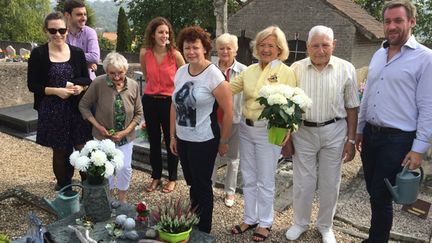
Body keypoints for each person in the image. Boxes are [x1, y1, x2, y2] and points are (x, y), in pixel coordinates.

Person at [355, 1, 432, 242]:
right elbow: (367, 95)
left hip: (397, 140)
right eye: (388, 21)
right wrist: (359, 129)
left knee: (381, 195)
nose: (392, 26)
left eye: (398, 20)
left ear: (412, 22)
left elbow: (428, 106)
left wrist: (419, 149)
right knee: (373, 192)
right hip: (371, 135)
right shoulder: (378, 54)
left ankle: (377, 240)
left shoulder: (425, 58)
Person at [284, 25, 359, 243]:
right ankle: (300, 223)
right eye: (315, 45)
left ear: (333, 45)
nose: (320, 50)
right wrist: (286, 138)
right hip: (303, 131)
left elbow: (353, 106)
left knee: (330, 181)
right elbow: (287, 106)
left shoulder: (347, 69)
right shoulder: (296, 69)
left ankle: (326, 226)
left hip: (335, 131)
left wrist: (351, 139)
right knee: (303, 182)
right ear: (308, 47)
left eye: (325, 45)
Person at [229, 26, 296, 242]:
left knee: (265, 179)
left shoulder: (286, 72)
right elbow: (227, 88)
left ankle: (265, 222)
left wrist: (289, 130)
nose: (265, 49)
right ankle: (250, 217)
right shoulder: (249, 71)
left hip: (269, 130)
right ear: (256, 48)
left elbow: (293, 105)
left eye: (271, 45)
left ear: (279, 49)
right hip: (245, 128)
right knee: (248, 175)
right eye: (262, 45)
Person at [169, 26, 233, 233]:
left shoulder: (214, 75)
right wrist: (172, 136)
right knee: (192, 183)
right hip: (184, 138)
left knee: (202, 185)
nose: (190, 52)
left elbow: (229, 111)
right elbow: (174, 105)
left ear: (205, 48)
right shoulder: (181, 72)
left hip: (204, 140)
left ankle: (204, 229)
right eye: (187, 48)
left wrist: (223, 141)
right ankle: (194, 217)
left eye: (195, 47)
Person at [27, 12, 92, 191]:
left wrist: (80, 88)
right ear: (46, 31)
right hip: (52, 110)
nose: (57, 34)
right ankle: (65, 190)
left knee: (82, 149)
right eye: (52, 30)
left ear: (67, 30)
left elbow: (86, 79)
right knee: (61, 151)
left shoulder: (77, 53)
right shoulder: (39, 54)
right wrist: (57, 91)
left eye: (61, 30)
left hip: (76, 109)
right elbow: (32, 85)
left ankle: (89, 190)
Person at [79, 52, 143, 203]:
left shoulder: (133, 85)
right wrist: (98, 126)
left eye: (120, 73)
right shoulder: (99, 83)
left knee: (124, 168)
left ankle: (122, 198)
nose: (116, 77)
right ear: (106, 71)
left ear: (126, 71)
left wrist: (126, 132)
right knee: (106, 169)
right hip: (103, 136)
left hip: (125, 137)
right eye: (112, 73)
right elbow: (83, 106)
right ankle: (107, 198)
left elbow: (139, 113)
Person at [139, 17, 185, 193]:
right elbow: (146, 75)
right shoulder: (145, 53)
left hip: (170, 103)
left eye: (166, 32)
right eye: (160, 32)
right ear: (153, 34)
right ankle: (156, 176)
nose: (164, 35)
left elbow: (185, 77)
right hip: (150, 101)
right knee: (153, 141)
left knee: (171, 140)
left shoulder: (175, 54)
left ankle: (172, 177)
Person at [211, 33, 247, 207]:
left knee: (234, 157)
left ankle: (230, 192)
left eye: (228, 48)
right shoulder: (209, 69)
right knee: (212, 157)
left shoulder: (244, 71)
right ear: (216, 50)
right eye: (221, 48)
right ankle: (208, 187)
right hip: (212, 121)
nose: (225, 51)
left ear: (236, 50)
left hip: (235, 121)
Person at [64, 0, 100, 80]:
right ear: (68, 15)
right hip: (66, 82)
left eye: (85, 14)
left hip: (87, 83)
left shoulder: (90, 32)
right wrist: (84, 61)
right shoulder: (61, 33)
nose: (83, 18)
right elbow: (55, 55)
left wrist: (67, 54)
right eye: (79, 14)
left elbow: (95, 57)